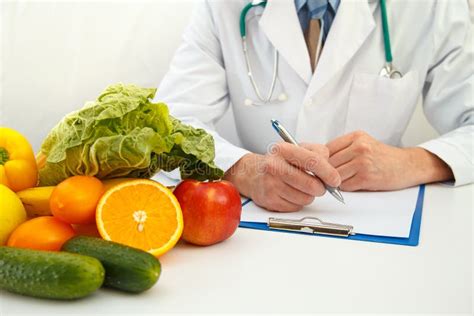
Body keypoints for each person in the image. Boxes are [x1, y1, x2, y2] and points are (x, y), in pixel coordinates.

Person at [156, 0, 473, 212]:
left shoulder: (435, 6)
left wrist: (411, 162)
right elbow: (168, 124)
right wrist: (242, 169)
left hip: (382, 226)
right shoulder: (221, 5)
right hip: (257, 232)